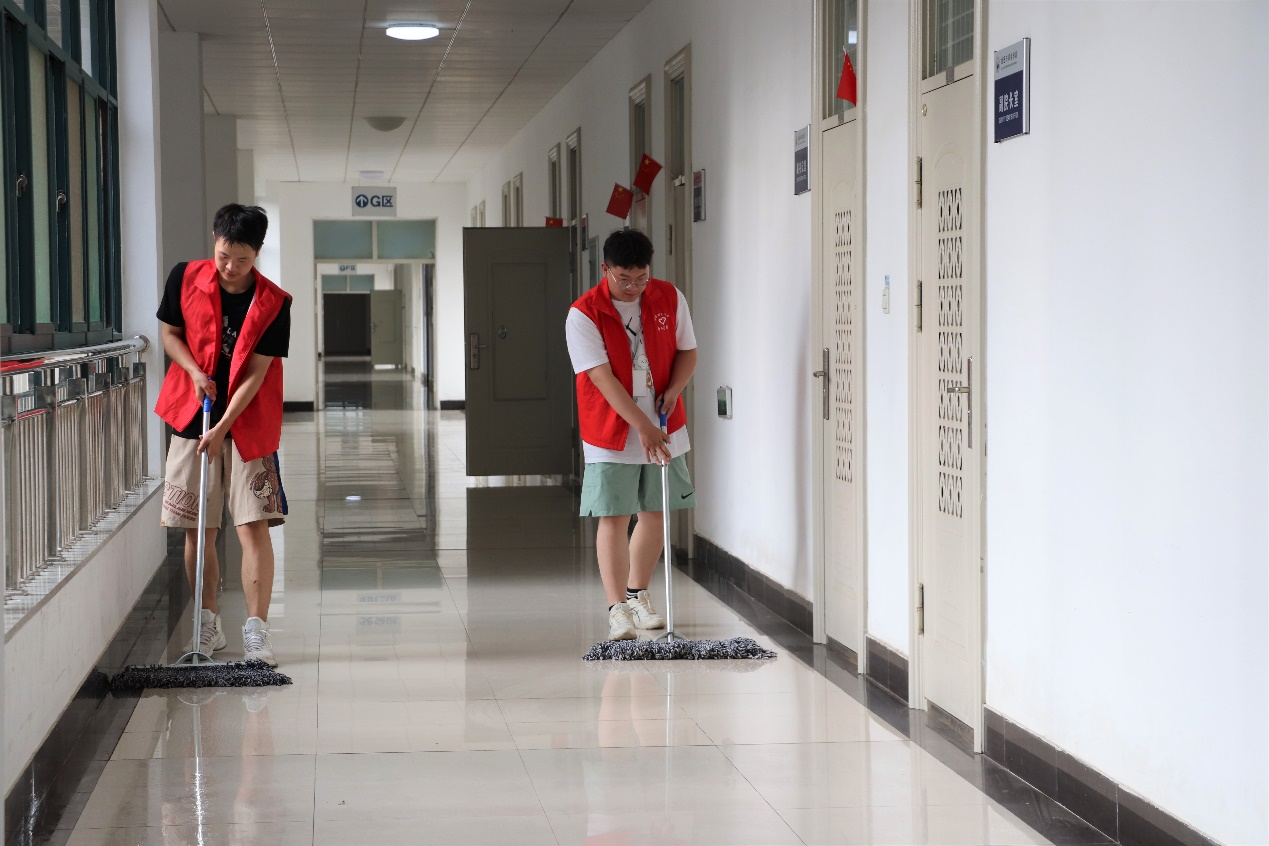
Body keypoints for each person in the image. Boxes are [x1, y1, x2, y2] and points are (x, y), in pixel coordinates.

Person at [154, 204, 291, 667]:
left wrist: (222, 428)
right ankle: (206, 625)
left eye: (242, 259)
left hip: (248, 424)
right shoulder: (184, 277)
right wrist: (194, 371)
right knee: (199, 528)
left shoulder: (274, 303)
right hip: (191, 415)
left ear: (259, 252)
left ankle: (257, 632)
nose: (231, 267)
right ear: (214, 240)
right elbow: (170, 334)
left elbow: (256, 374)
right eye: (224, 256)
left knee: (253, 526)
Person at [566, 229, 698, 640]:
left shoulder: (668, 297)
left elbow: (688, 351)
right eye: (624, 279)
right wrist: (643, 427)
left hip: (664, 422)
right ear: (606, 269)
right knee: (614, 515)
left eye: (641, 278)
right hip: (612, 429)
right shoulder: (584, 313)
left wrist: (674, 391)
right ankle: (617, 608)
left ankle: (638, 594)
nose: (634, 287)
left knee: (656, 511)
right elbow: (600, 377)